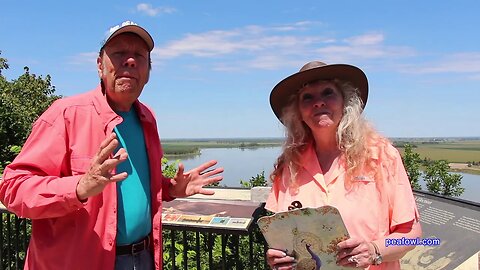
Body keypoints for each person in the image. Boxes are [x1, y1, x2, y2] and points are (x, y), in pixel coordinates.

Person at [0, 21, 223, 270]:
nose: (130, 61)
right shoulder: (65, 114)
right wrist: (79, 187)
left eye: (139, 55)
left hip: (143, 257)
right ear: (99, 66)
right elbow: (13, 188)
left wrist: (169, 188)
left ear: (148, 71)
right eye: (119, 54)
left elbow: (131, 183)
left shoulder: (146, 117)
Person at [264, 61, 421, 269]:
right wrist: (277, 257)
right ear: (298, 112)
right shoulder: (289, 166)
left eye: (328, 93)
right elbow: (281, 237)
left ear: (346, 102)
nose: (318, 102)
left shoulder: (381, 156)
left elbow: (412, 234)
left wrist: (374, 251)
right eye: (307, 97)